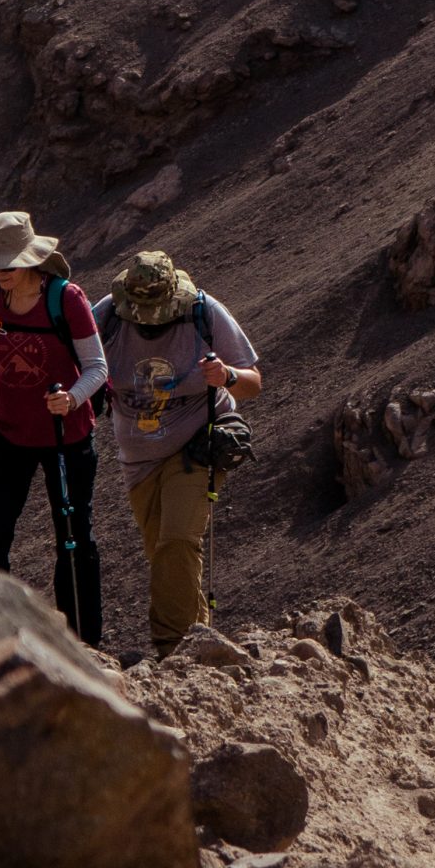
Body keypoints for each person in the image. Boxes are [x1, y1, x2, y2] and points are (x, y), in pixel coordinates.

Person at [94, 249, 261, 655]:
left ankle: (173, 648)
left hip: (197, 442)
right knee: (166, 556)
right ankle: (202, 646)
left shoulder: (203, 312)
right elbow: (81, 366)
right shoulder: (107, 316)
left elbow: (252, 381)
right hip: (137, 458)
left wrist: (226, 376)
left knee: (178, 542)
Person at [0, 210, 107, 645]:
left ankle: (83, 642)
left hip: (65, 437)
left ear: (30, 259)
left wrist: (71, 398)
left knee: (73, 539)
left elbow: (98, 367)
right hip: (7, 433)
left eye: (7, 265)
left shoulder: (66, 299)